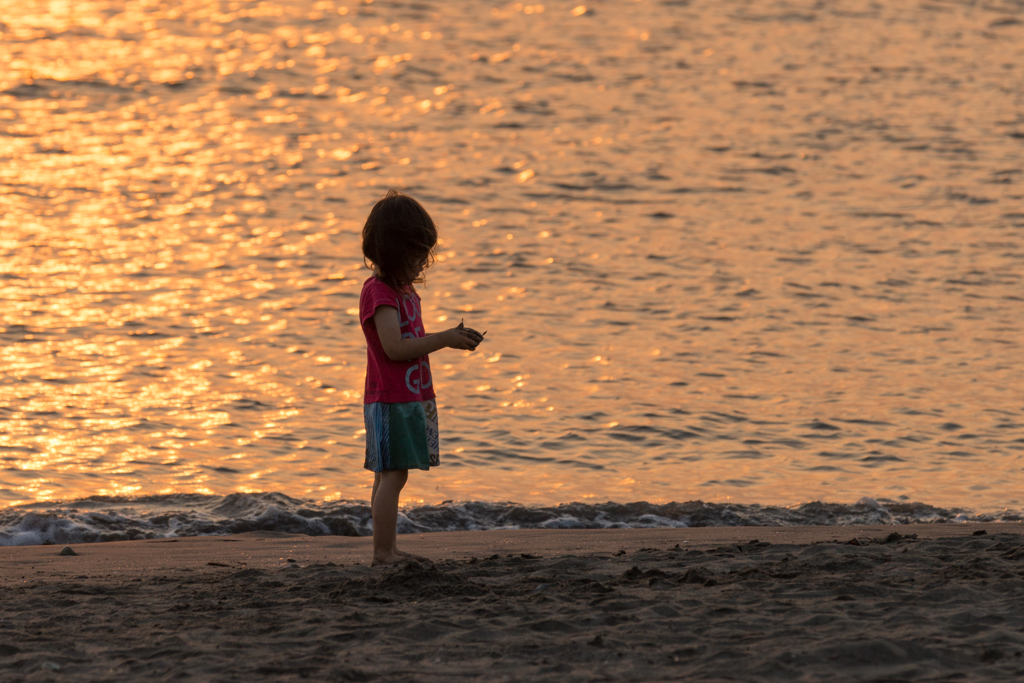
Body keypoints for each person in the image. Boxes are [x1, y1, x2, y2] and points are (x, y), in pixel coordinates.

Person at [358, 189, 484, 566]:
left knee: (390, 475)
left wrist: (451, 338)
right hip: (389, 399)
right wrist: (444, 339)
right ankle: (383, 553)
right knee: (392, 476)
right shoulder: (380, 293)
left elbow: (410, 340)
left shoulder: (403, 290)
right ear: (394, 252)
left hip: (408, 396)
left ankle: (387, 549)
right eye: (416, 257)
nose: (422, 265)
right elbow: (395, 348)